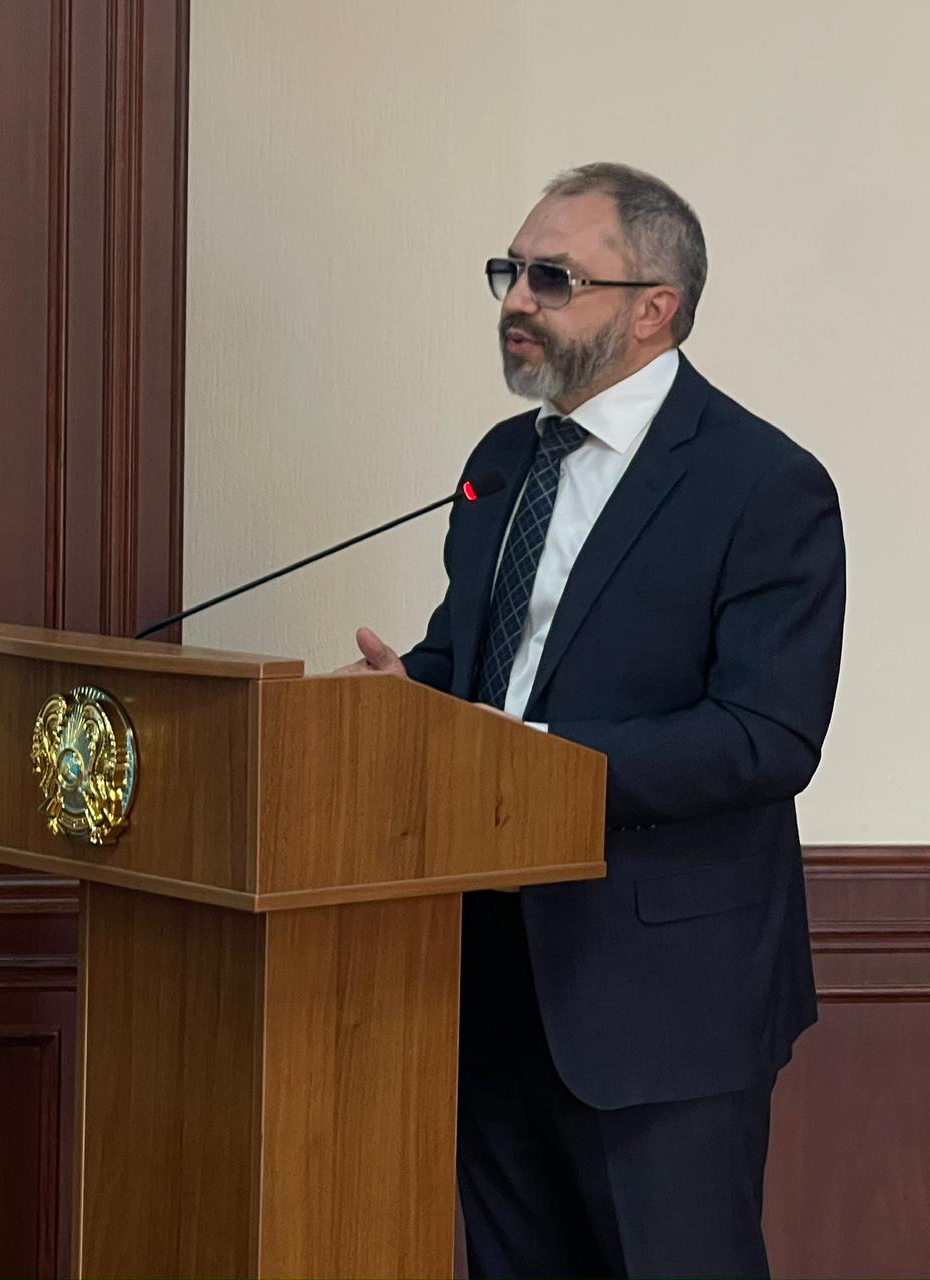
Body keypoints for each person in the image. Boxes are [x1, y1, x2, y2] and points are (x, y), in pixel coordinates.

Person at [339, 162, 846, 1279]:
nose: (518, 299)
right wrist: (399, 698)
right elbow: (478, 666)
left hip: (664, 997)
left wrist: (535, 767)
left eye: (553, 277)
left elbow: (766, 735)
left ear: (654, 306)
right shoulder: (503, 461)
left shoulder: (763, 483)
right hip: (485, 973)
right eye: (510, 271)